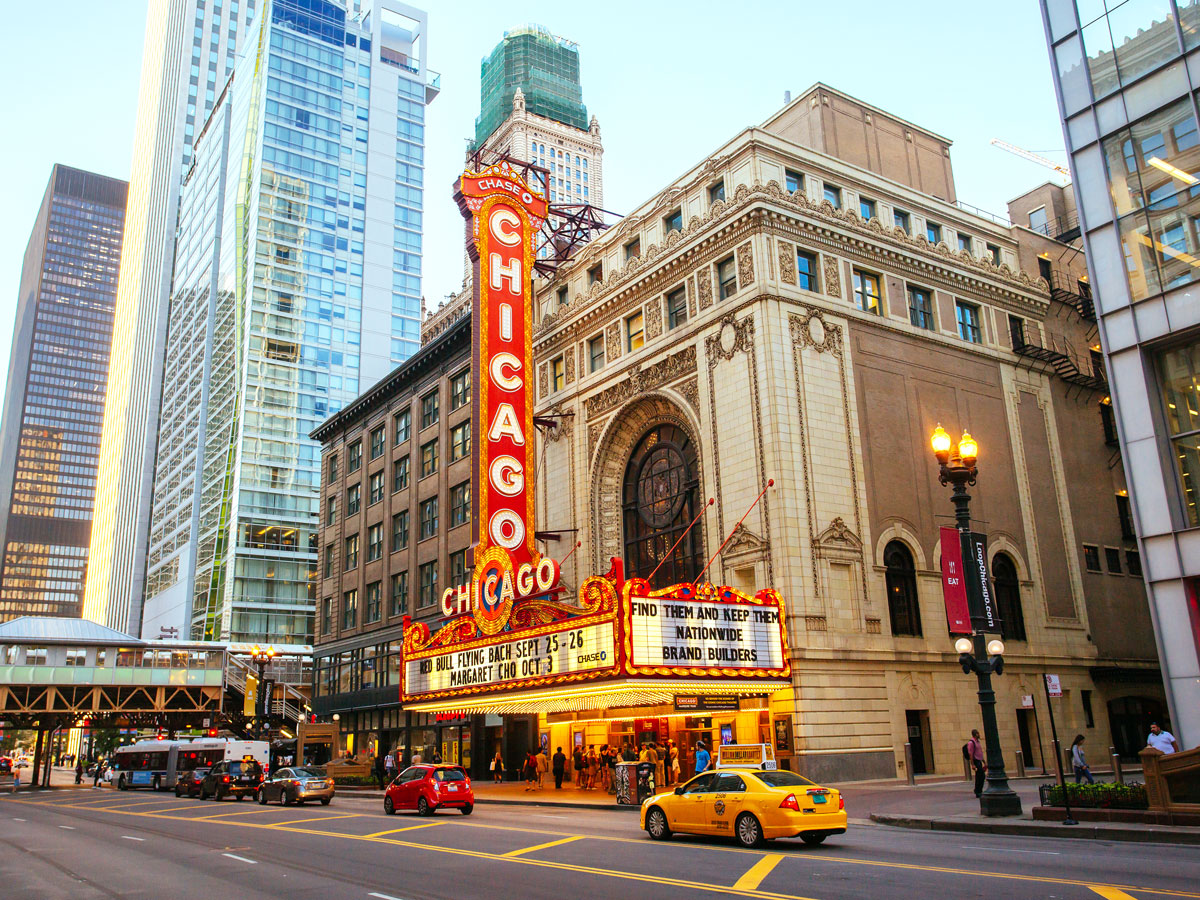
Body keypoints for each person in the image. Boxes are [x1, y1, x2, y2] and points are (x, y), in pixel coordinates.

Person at [967, 729, 986, 797]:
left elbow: (980, 753)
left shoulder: (978, 742)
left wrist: (984, 762)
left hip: (979, 761)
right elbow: (971, 754)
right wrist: (972, 764)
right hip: (976, 761)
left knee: (981, 776)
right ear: (975, 734)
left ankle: (979, 790)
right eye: (978, 733)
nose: (979, 735)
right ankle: (978, 791)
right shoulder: (971, 743)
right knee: (979, 776)